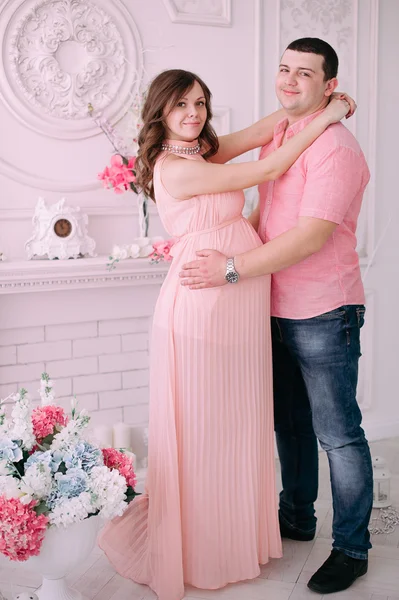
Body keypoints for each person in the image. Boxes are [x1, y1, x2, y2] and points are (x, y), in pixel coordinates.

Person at [99, 68, 351, 600]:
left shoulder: (200, 152)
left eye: (200, 103)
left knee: (235, 424)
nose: (194, 114)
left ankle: (231, 538)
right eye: (181, 106)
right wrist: (326, 116)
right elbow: (275, 161)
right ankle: (200, 549)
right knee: (206, 430)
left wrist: (303, 106)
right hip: (203, 304)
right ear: (160, 113)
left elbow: (264, 132)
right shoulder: (177, 168)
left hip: (236, 301)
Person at [180, 38, 372, 595]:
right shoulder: (286, 131)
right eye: (283, 69)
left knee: (337, 434)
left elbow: (311, 237)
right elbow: (226, 163)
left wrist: (231, 268)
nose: (289, 81)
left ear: (329, 85)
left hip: (324, 310)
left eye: (304, 74)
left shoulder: (336, 149)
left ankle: (352, 548)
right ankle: (297, 517)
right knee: (288, 424)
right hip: (274, 306)